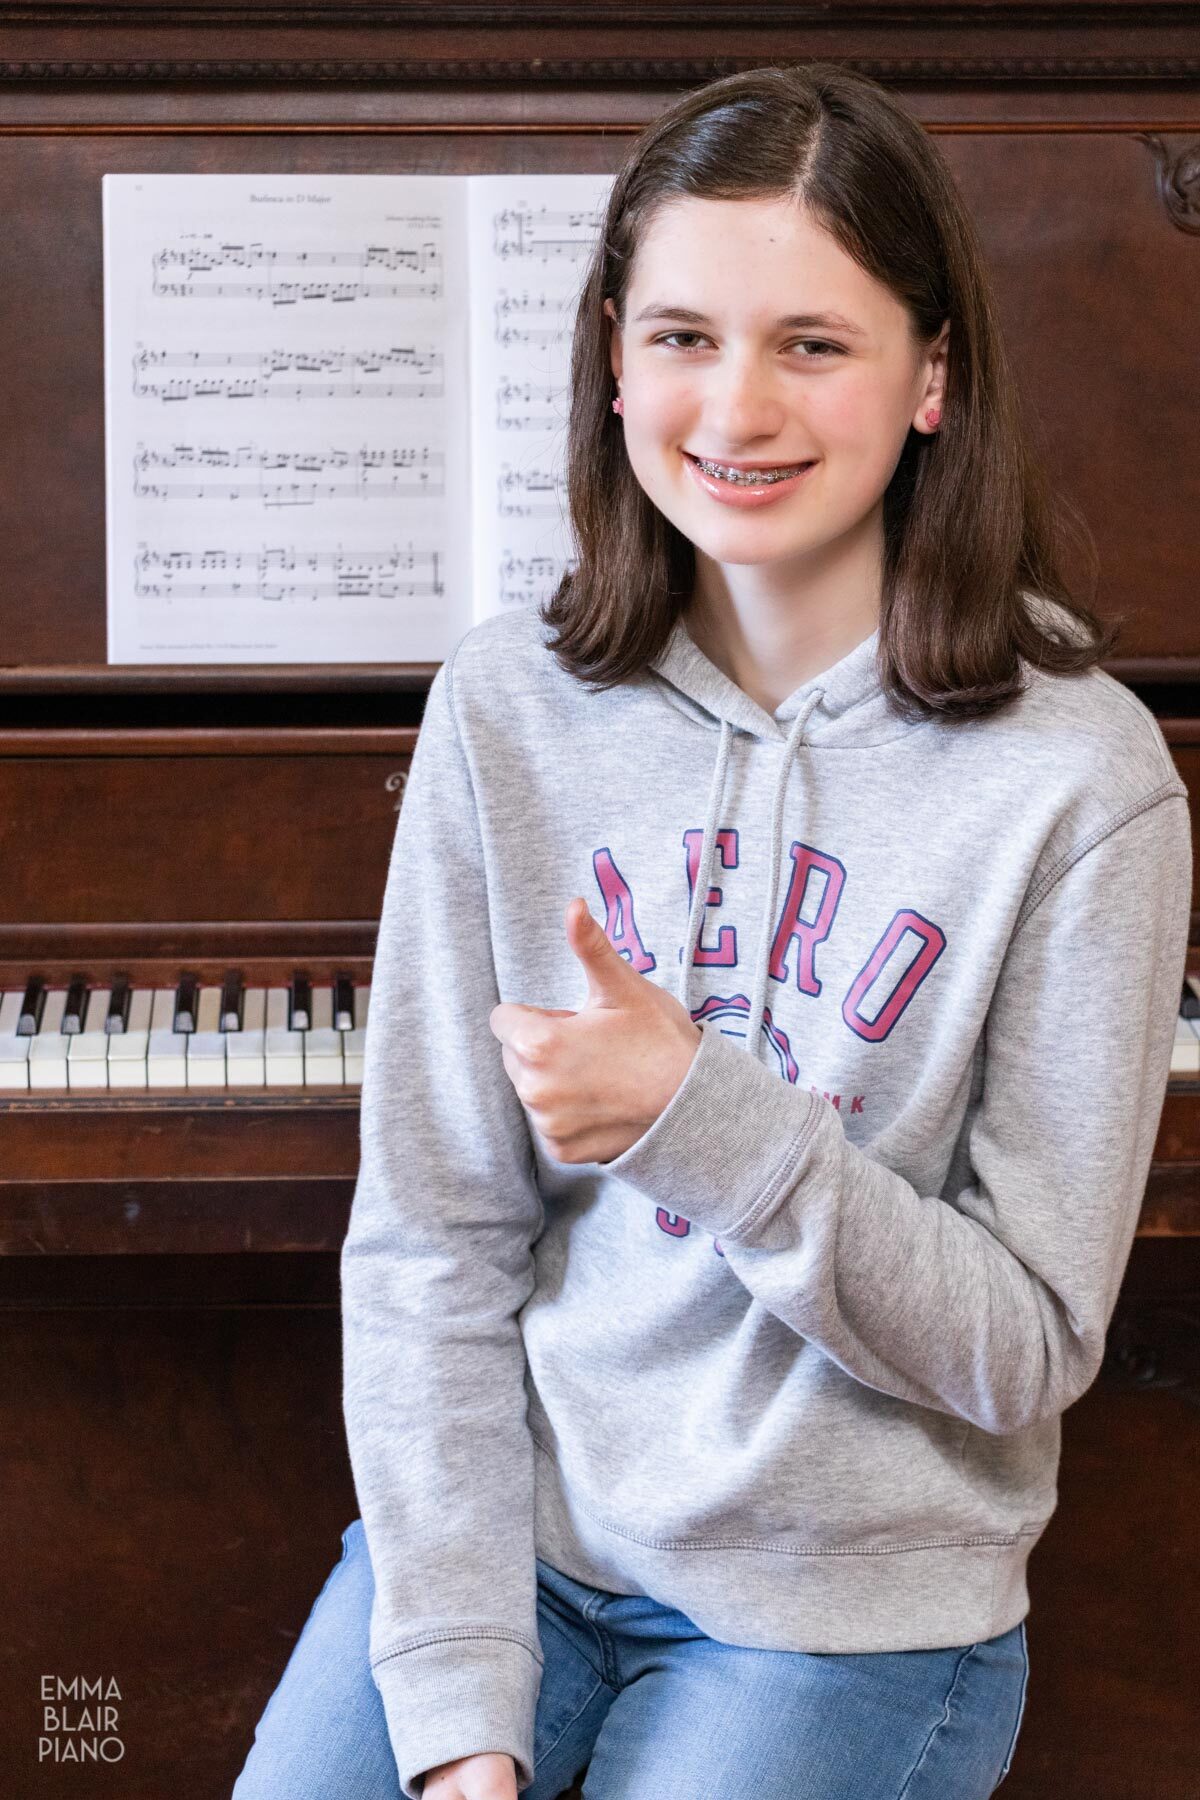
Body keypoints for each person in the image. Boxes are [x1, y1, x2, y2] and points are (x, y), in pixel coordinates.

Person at [232, 60, 1191, 1800]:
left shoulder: (1078, 775)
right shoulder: (504, 708)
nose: (733, 407)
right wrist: (455, 1707)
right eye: (680, 335)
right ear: (611, 360)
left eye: (812, 343)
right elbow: (429, 1243)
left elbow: (1030, 1342)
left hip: (836, 1607)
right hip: (514, 1542)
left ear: (931, 380)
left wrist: (705, 1122)